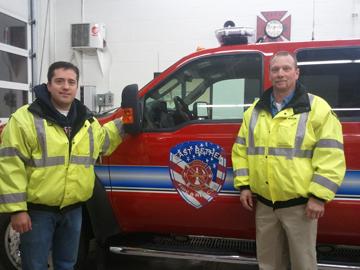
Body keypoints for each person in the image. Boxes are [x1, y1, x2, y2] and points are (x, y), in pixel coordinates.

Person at [0, 61, 124, 270]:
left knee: (67, 264)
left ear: (77, 87)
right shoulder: (25, 119)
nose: (65, 86)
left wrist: (127, 120)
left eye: (71, 82)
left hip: (73, 211)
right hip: (38, 212)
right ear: (48, 85)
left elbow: (105, 140)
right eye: (59, 81)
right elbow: (10, 165)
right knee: (35, 265)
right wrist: (17, 210)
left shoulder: (86, 121)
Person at [231, 51, 346, 270]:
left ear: (296, 72)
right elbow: (241, 150)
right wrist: (244, 185)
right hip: (265, 205)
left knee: (303, 264)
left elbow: (331, 155)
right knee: (269, 264)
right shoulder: (255, 111)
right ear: (270, 74)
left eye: (286, 68)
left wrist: (319, 197)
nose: (280, 74)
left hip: (301, 207)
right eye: (275, 69)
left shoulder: (317, 108)